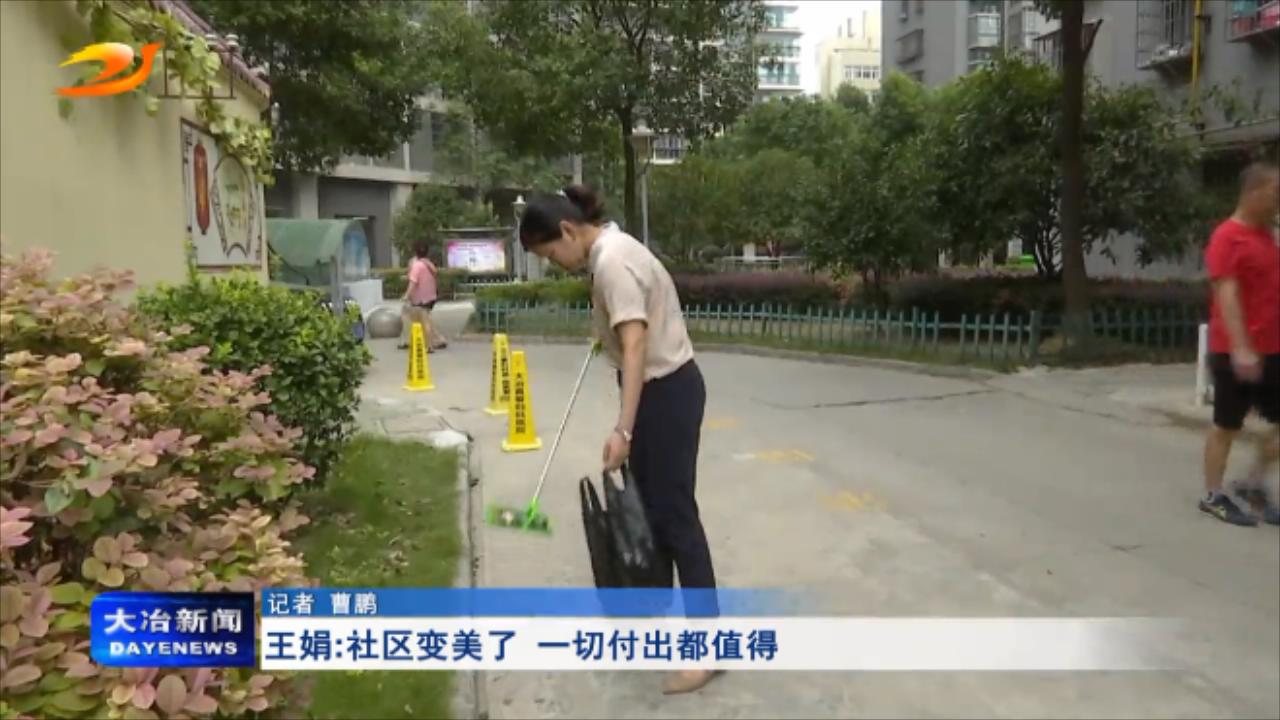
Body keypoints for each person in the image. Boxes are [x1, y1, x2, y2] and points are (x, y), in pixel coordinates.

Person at [519, 185, 720, 695]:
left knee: (676, 520)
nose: (555, 265)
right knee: (656, 515)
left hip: (665, 393)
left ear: (568, 230)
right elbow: (626, 331)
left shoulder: (611, 262)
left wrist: (624, 430)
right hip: (662, 391)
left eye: (550, 254)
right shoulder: (611, 248)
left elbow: (635, 346)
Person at [1200, 160, 1280, 527]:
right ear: (1252, 192)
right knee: (1227, 425)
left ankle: (1252, 485)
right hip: (1235, 351)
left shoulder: (1269, 236)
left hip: (1273, 349)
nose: (1278, 200)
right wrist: (1241, 347)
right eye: (1275, 192)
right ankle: (1213, 494)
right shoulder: (1227, 237)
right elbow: (1227, 296)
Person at [399, 240, 447, 352]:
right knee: (425, 319)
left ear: (415, 251)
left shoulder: (417, 265)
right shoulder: (428, 263)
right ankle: (437, 340)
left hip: (421, 299)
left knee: (418, 319)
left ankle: (429, 345)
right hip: (431, 296)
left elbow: (413, 282)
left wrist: (406, 295)